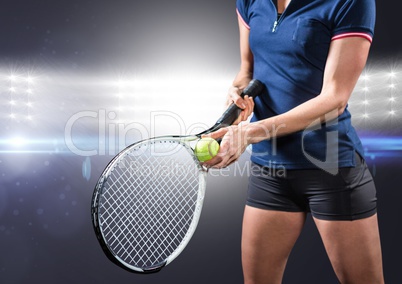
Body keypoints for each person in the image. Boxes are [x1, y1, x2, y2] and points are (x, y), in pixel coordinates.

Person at [203, 0, 384, 283]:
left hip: (330, 167)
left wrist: (250, 133)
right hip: (270, 170)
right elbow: (247, 70)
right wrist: (236, 92)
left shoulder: (351, 2)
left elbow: (334, 99)